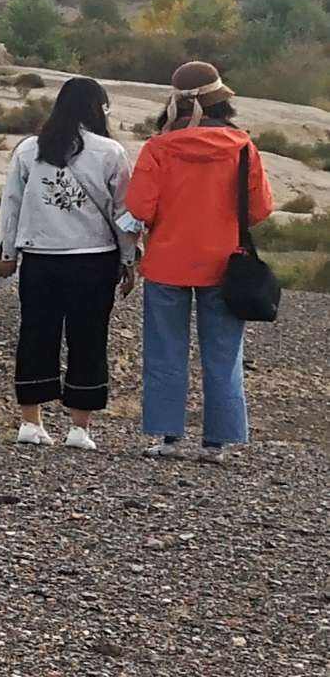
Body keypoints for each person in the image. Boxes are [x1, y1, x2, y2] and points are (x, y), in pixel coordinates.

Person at [123, 60, 274, 463]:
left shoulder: (158, 148)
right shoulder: (243, 147)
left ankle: (168, 438)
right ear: (220, 102)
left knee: (165, 352)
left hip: (167, 264)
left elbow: (139, 206)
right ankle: (217, 444)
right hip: (225, 267)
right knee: (223, 355)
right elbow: (260, 209)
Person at [0, 76, 136, 449]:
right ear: (98, 108)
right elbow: (124, 212)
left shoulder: (28, 149)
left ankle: (30, 422)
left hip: (39, 259)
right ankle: (79, 428)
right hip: (93, 260)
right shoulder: (110, 152)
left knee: (36, 334)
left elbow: (12, 204)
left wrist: (7, 252)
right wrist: (128, 259)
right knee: (88, 338)